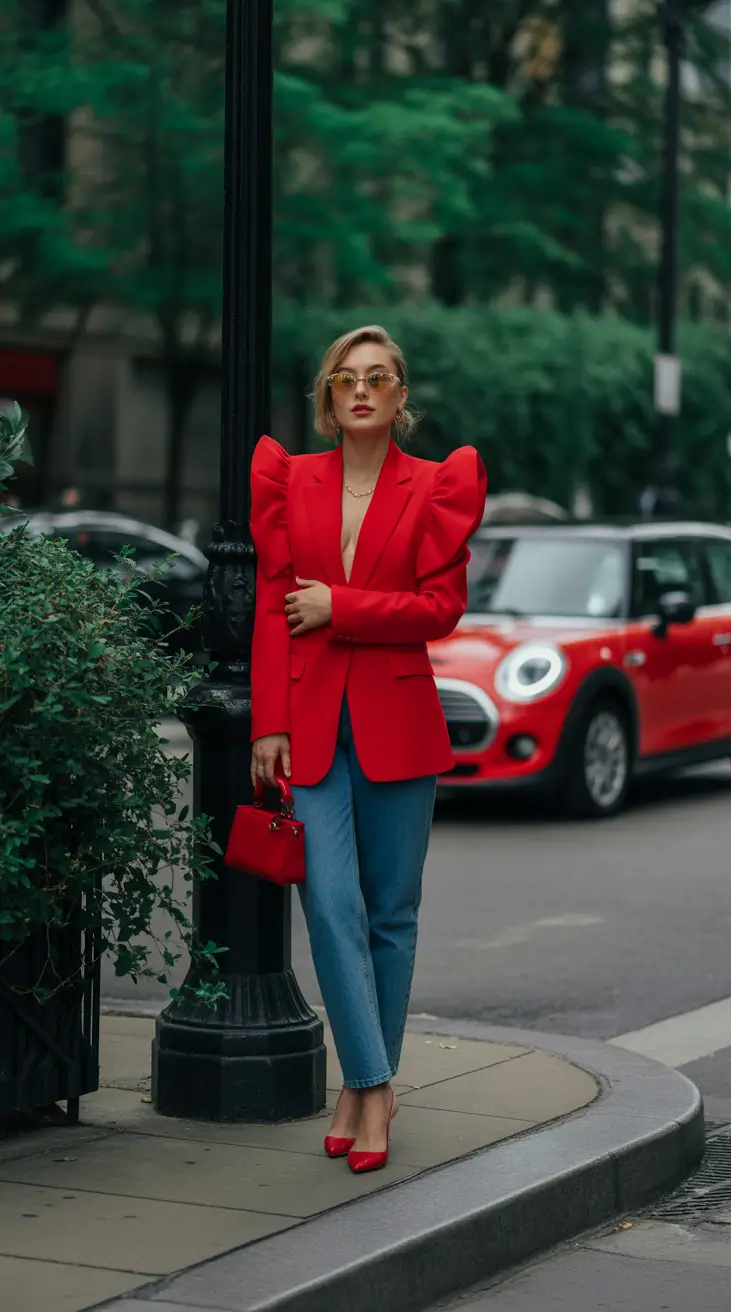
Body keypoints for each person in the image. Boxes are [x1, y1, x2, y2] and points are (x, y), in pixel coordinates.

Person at [249, 325, 487, 1173]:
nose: (361, 390)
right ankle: (377, 1080)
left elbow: (437, 611)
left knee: (391, 913)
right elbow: (276, 605)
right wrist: (266, 723)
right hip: (309, 724)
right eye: (345, 378)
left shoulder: (435, 488)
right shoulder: (291, 481)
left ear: (398, 397)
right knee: (331, 905)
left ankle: (361, 1092)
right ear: (327, 396)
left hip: (398, 724)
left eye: (377, 378)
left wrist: (342, 607)